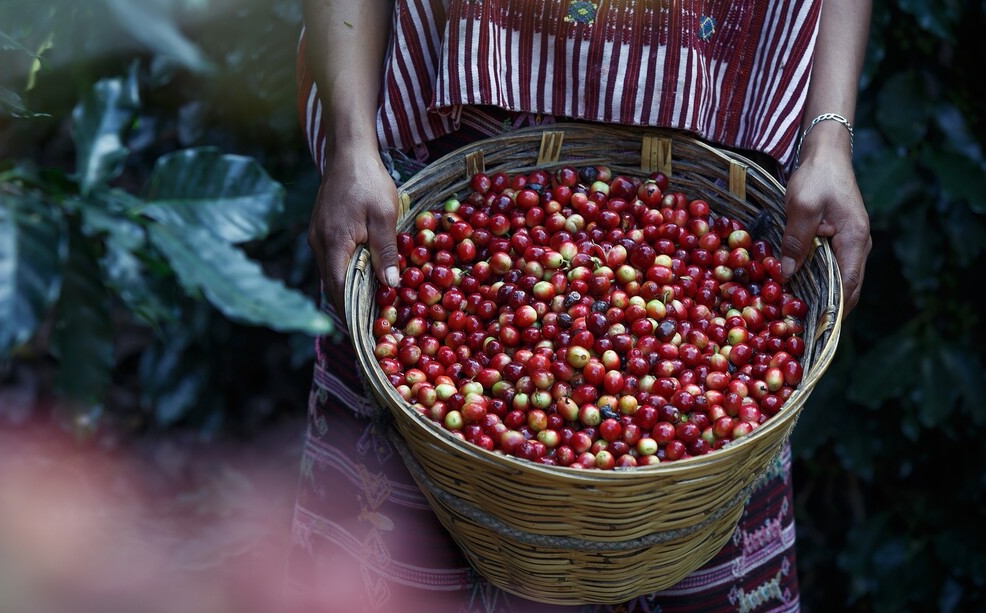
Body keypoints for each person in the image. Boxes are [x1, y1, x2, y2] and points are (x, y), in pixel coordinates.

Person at [289, 1, 872, 611]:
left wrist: (829, 139)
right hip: (443, 175)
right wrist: (352, 140)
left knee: (705, 490)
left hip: (708, 175)